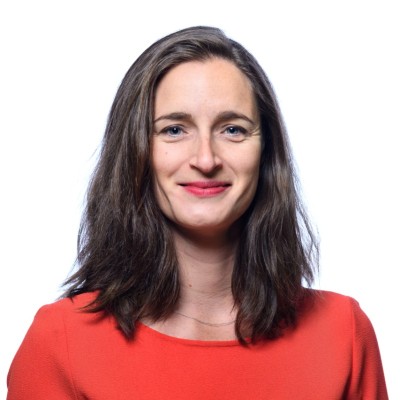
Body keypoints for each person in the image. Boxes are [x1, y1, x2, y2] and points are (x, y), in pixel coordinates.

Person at [7, 26, 388, 399]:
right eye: (174, 130)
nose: (206, 159)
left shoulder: (343, 335)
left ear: (266, 153)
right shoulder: (62, 342)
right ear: (136, 151)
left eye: (232, 129)